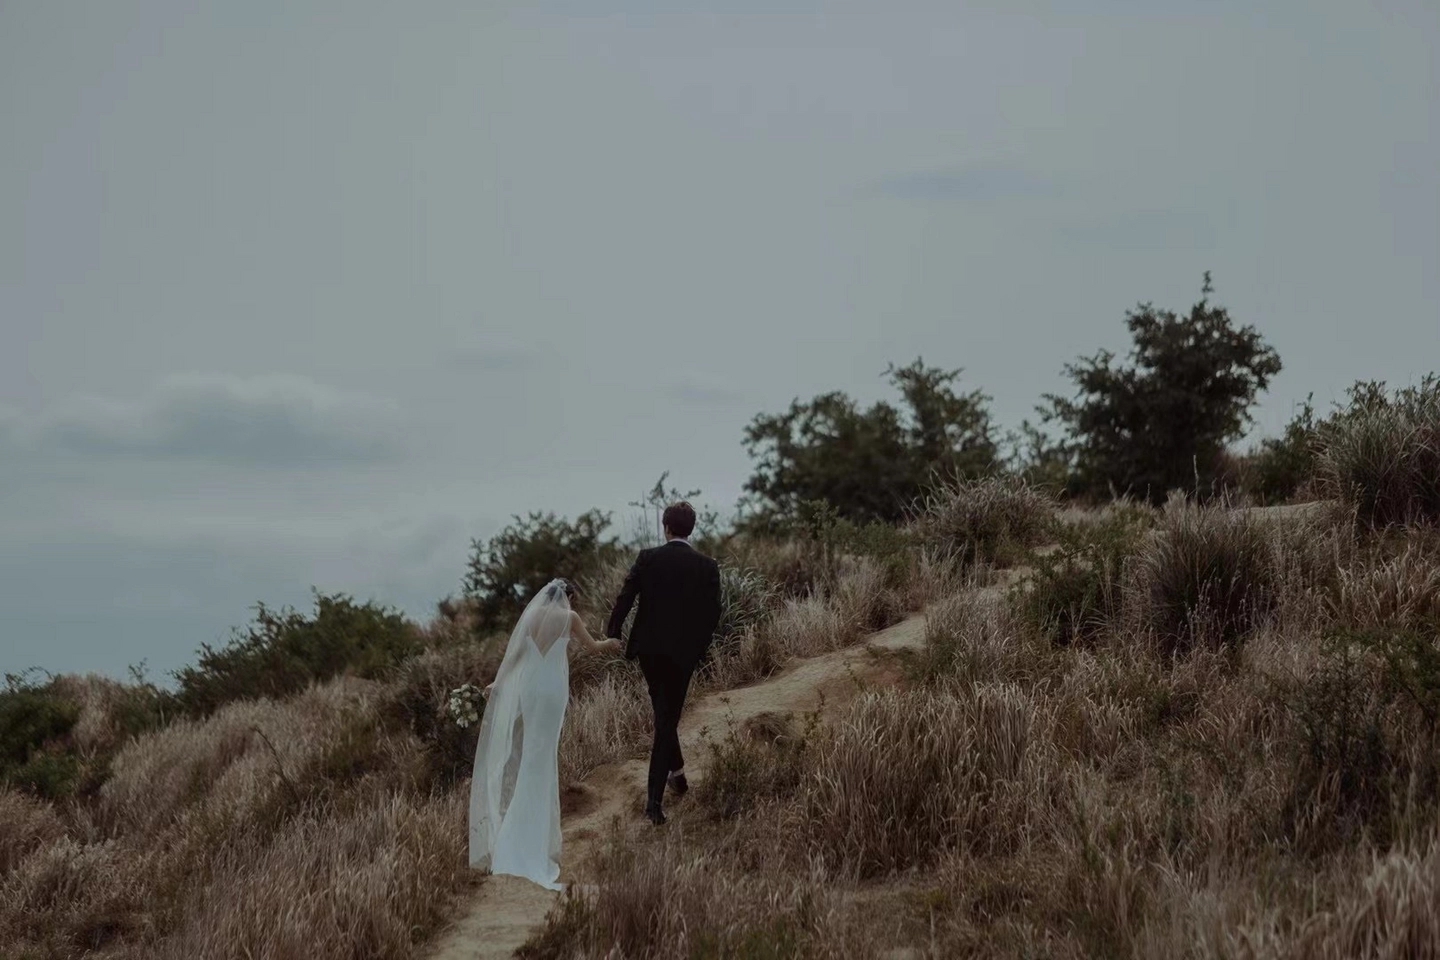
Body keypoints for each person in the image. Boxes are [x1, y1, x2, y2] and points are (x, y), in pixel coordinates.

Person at [468, 578, 619, 890]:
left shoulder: (532, 616)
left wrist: (498, 682)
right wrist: (612, 643)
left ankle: (517, 834)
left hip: (531, 688)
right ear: (568, 597)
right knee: (543, 756)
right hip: (552, 690)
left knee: (532, 755)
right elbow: (593, 648)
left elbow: (516, 656)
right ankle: (532, 839)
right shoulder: (570, 618)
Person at [606, 501, 723, 825]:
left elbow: (625, 596)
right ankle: (655, 802)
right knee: (666, 718)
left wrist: (614, 631)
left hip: (649, 651)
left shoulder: (648, 558)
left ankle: (674, 781)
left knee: (664, 716)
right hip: (683, 654)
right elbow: (713, 613)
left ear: (666, 527)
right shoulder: (707, 566)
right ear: (691, 529)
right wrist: (699, 647)